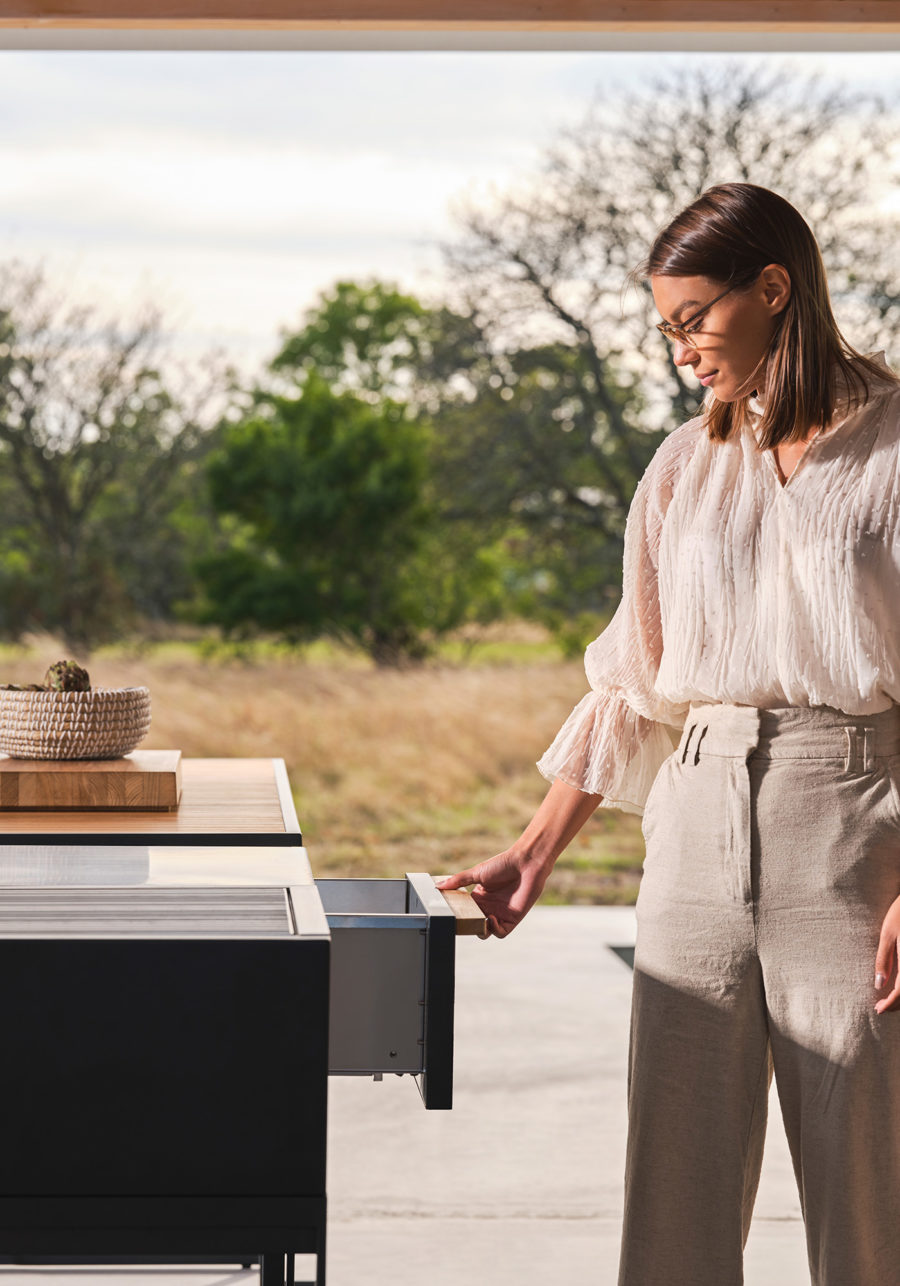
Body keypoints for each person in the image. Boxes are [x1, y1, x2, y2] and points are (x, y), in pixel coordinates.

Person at [436, 181, 900, 1285]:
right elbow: (632, 682)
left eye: (695, 318)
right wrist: (533, 850)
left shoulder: (893, 447)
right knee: (672, 1210)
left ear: (774, 289)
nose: (682, 349)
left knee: (868, 1202)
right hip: (692, 831)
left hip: (854, 826)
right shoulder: (684, 465)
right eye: (667, 329)